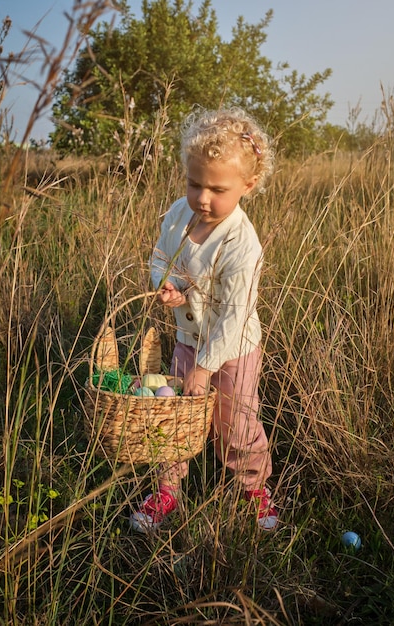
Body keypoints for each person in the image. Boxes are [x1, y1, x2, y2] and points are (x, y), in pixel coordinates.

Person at [129, 106, 278, 532]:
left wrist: (206, 367)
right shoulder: (179, 213)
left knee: (234, 420)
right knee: (173, 414)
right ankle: (166, 489)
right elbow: (162, 256)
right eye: (195, 183)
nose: (203, 198)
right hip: (187, 339)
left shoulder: (240, 243)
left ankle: (253, 486)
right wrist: (166, 283)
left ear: (247, 186)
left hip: (232, 350)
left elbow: (234, 317)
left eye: (217, 188)